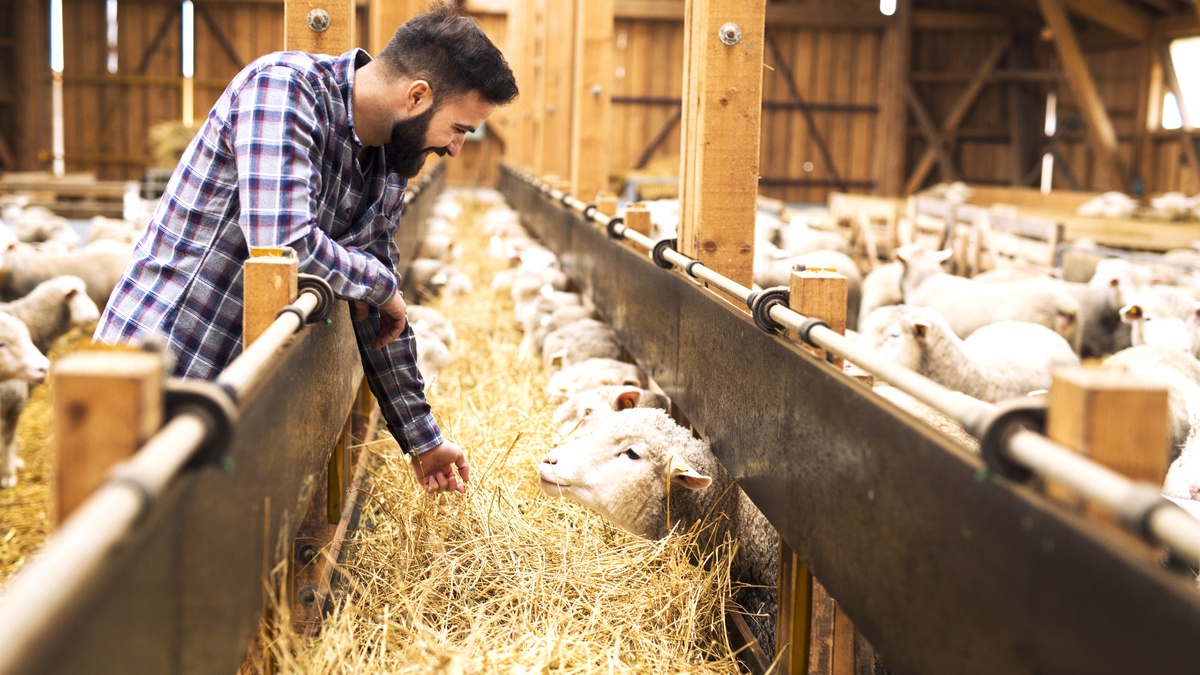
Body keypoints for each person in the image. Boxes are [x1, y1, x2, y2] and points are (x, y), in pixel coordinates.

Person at [93, 2, 518, 495]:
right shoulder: (284, 88)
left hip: (240, 388)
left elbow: (379, 312)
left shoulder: (387, 166)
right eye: (460, 128)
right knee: (110, 550)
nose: (456, 148)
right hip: (163, 365)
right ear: (417, 95)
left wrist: (424, 440)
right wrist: (382, 286)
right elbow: (282, 242)